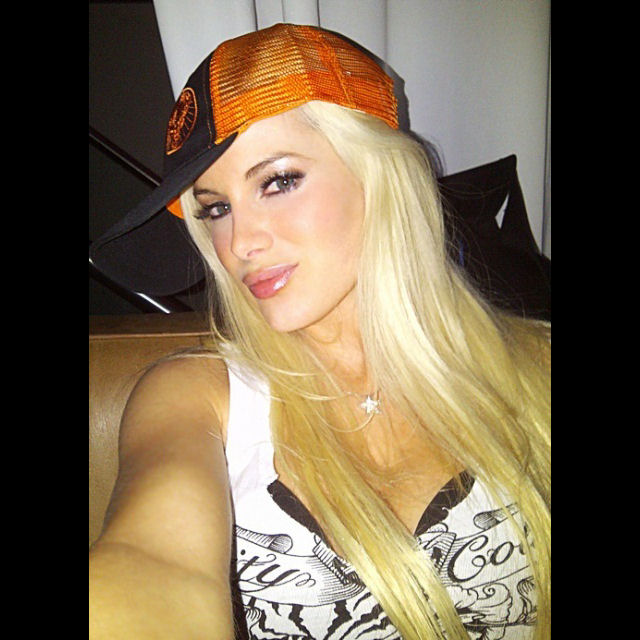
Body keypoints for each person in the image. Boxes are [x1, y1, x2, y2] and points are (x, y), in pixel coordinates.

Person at [89, 23, 550, 640]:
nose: (240, 242)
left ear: (379, 173)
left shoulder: (538, 369)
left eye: (277, 181)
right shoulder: (198, 398)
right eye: (216, 208)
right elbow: (150, 563)